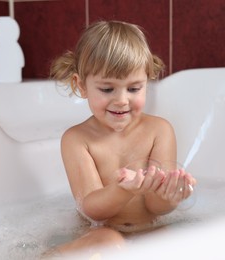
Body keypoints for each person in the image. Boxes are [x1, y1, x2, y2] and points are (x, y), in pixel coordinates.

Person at [49, 20, 196, 256]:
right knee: (109, 240)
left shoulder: (159, 130)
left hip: (148, 228)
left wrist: (169, 196)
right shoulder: (77, 139)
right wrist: (125, 190)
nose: (121, 100)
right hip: (98, 232)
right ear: (81, 85)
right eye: (107, 89)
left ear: (147, 81)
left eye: (134, 89)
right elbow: (91, 209)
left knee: (171, 241)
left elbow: (155, 207)